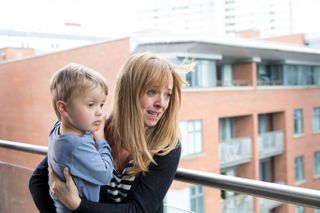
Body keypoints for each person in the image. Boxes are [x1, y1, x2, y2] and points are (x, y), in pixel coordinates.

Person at [29, 52, 191, 213]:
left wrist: (77, 205)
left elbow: (139, 210)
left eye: (167, 94)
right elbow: (38, 182)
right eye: (152, 92)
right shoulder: (94, 128)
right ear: (129, 93)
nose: (161, 104)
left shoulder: (167, 146)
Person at [46, 63, 114, 212]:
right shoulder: (75, 145)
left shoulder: (58, 130)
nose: (100, 113)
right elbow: (105, 175)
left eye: (101, 105)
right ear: (63, 108)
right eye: (91, 105)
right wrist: (101, 139)